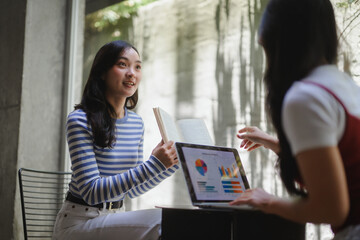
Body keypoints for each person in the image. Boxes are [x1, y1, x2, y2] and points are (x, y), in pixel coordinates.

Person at [229, 0, 360, 239]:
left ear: (280, 43)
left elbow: (332, 209)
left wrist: (266, 201)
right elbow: (342, 161)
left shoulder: (305, 96)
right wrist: (273, 143)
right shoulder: (345, 85)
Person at [53, 40, 179, 240]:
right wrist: (154, 165)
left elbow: (135, 188)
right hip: (79, 222)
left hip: (115, 218)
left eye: (137, 67)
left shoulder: (136, 123)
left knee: (178, 219)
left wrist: (169, 164)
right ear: (102, 73)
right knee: (163, 221)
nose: (132, 73)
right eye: (123, 64)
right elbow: (91, 192)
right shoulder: (79, 120)